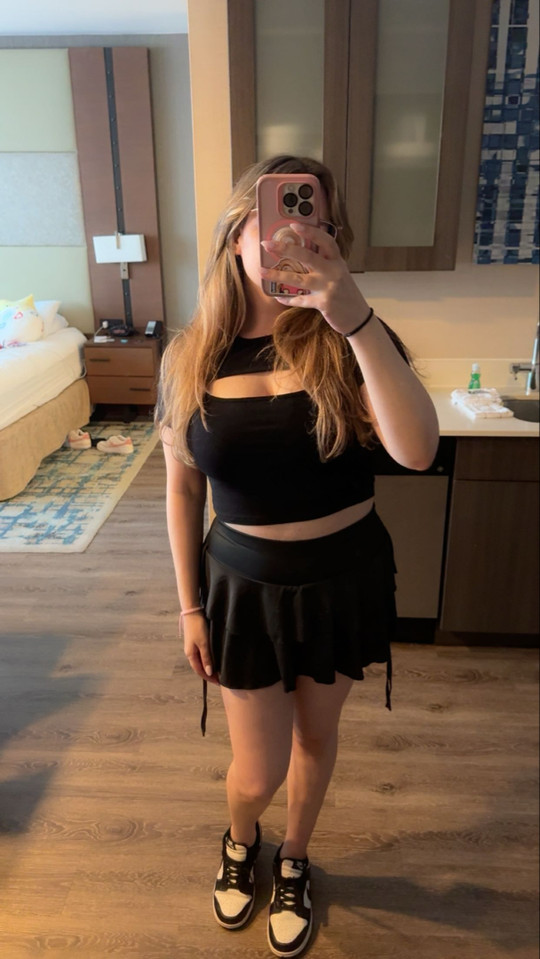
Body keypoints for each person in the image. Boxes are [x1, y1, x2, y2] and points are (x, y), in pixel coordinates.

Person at [157, 154, 439, 958]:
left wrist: (355, 319)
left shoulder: (353, 336)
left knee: (317, 738)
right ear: (236, 235)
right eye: (277, 218)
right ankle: (241, 834)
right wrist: (188, 605)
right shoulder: (190, 355)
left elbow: (417, 450)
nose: (296, 235)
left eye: (315, 220)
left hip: (343, 578)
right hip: (244, 589)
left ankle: (294, 858)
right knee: (257, 770)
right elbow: (181, 490)